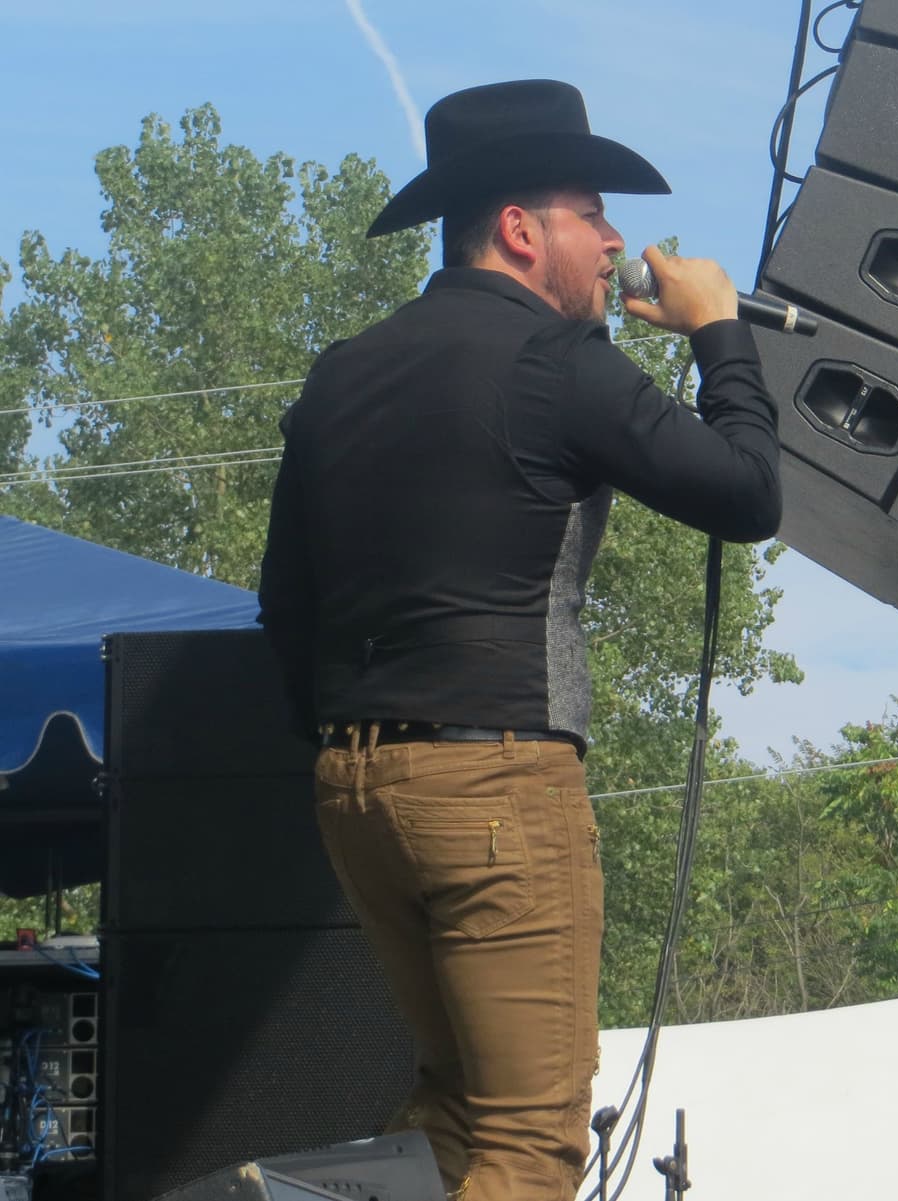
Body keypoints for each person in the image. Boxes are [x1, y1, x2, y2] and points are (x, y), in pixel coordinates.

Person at [257, 78, 780, 1201]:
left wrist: (365, 748)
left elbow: (282, 606)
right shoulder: (555, 366)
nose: (615, 245)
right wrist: (721, 335)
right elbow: (745, 491)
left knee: (454, 1111)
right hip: (496, 782)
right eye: (592, 214)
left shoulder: (339, 373)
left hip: (356, 789)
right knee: (534, 1137)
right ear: (517, 230)